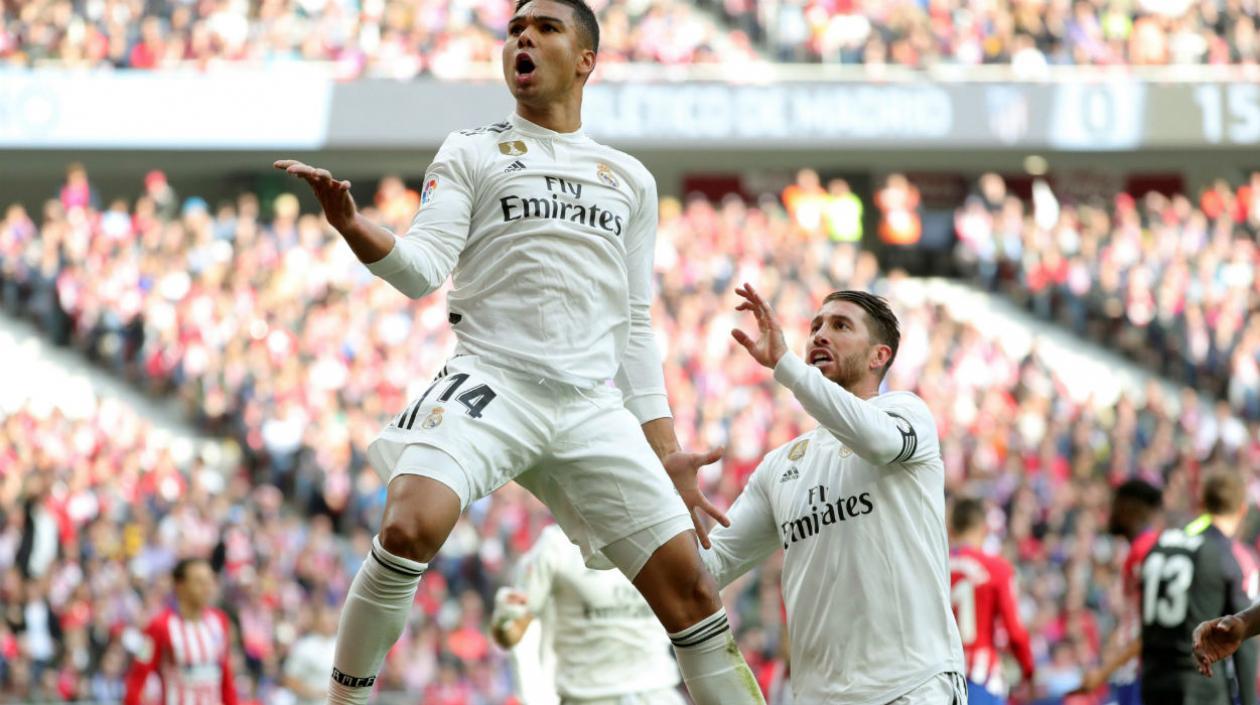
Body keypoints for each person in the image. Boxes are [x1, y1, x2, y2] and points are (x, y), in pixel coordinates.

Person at [271, 1, 764, 703]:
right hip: (491, 379)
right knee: (409, 525)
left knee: (693, 592)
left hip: (592, 405)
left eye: (544, 27)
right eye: (514, 29)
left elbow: (634, 322)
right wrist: (352, 225)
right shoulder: (470, 150)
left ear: (587, 59)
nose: (522, 37)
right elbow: (418, 268)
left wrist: (666, 448)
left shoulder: (630, 179)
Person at [688, 284, 966, 703]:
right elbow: (710, 568)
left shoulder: (907, 414)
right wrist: (662, 493)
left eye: (840, 326)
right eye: (816, 325)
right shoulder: (779, 467)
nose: (820, 334)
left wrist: (785, 365)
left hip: (912, 686)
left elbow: (879, 443)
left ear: (879, 356)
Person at [490, 524, 684, 705]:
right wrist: (505, 618)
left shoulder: (659, 534)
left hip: (659, 692)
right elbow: (511, 634)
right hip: (588, 695)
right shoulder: (556, 544)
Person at [1140, 471, 1256, 705]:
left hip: (1153, 679)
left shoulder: (1162, 543)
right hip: (1201, 682)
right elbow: (1243, 639)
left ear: (1202, 502)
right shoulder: (1227, 554)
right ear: (1242, 509)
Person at [1068, 479, 1163, 705]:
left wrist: (1103, 672)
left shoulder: (1145, 553)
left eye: (1114, 505)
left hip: (1145, 675)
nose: (1109, 513)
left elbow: (1152, 628)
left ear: (1129, 509)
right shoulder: (1142, 550)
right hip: (1138, 672)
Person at [947, 497, 1034, 705]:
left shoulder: (932, 568)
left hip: (939, 678)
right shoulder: (998, 569)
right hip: (981, 675)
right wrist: (1028, 672)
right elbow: (1015, 632)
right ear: (984, 528)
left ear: (950, 529)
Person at [123, 558, 238, 705]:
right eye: (199, 582)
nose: (207, 588)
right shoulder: (160, 626)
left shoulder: (219, 622)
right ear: (180, 586)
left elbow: (225, 676)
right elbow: (138, 676)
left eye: (210, 581)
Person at [282, 607, 340, 705]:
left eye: (331, 620)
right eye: (324, 621)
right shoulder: (304, 646)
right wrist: (314, 693)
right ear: (316, 622)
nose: (328, 624)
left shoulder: (340, 646)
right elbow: (289, 679)